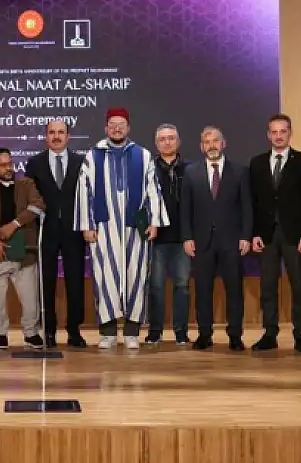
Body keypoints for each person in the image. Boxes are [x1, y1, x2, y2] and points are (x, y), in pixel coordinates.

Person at [75, 107, 167, 349]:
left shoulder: (143, 155)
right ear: (106, 128)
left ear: (128, 128)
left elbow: (153, 189)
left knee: (136, 276)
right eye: (113, 125)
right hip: (103, 228)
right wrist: (86, 225)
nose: (117, 128)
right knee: (105, 278)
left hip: (135, 227)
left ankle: (131, 332)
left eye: (121, 125)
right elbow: (84, 191)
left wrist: (154, 222)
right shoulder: (93, 156)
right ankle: (107, 333)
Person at [249, 113, 301, 353]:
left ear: (290, 133)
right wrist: (254, 233)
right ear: (268, 135)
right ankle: (270, 334)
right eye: (274, 132)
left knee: (298, 286)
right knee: (268, 287)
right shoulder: (257, 163)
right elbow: (253, 201)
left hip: (295, 235)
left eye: (283, 131)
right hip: (266, 235)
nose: (278, 136)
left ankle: (300, 336)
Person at [180, 126, 251, 350]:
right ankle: (204, 334)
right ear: (202, 146)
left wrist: (246, 236)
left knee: (234, 291)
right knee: (202, 291)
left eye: (215, 141)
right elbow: (185, 209)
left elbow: (247, 207)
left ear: (223, 143)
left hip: (232, 241)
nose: (211, 145)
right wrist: (187, 237)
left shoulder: (240, 172)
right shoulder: (191, 172)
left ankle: (235, 336)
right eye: (207, 142)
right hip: (202, 242)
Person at [0, 148, 46, 350]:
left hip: (24, 247)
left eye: (10, 164)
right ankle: (0, 334)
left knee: (30, 297)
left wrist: (14, 224)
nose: (8, 168)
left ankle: (31, 333)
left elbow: (37, 206)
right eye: (3, 165)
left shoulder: (26, 184)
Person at [25, 120, 86, 348]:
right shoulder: (35, 163)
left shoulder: (81, 162)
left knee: (75, 281)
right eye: (52, 132)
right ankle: (49, 331)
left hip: (74, 230)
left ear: (68, 137)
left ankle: (74, 331)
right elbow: (29, 196)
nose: (56, 136)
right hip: (45, 230)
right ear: (46, 136)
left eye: (61, 132)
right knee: (46, 281)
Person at [146, 123, 190, 345]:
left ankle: (181, 333)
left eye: (171, 138)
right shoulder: (148, 170)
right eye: (162, 139)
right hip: (157, 240)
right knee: (155, 287)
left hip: (183, 239)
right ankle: (155, 332)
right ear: (156, 144)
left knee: (182, 286)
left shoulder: (191, 170)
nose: (167, 142)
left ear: (178, 141)